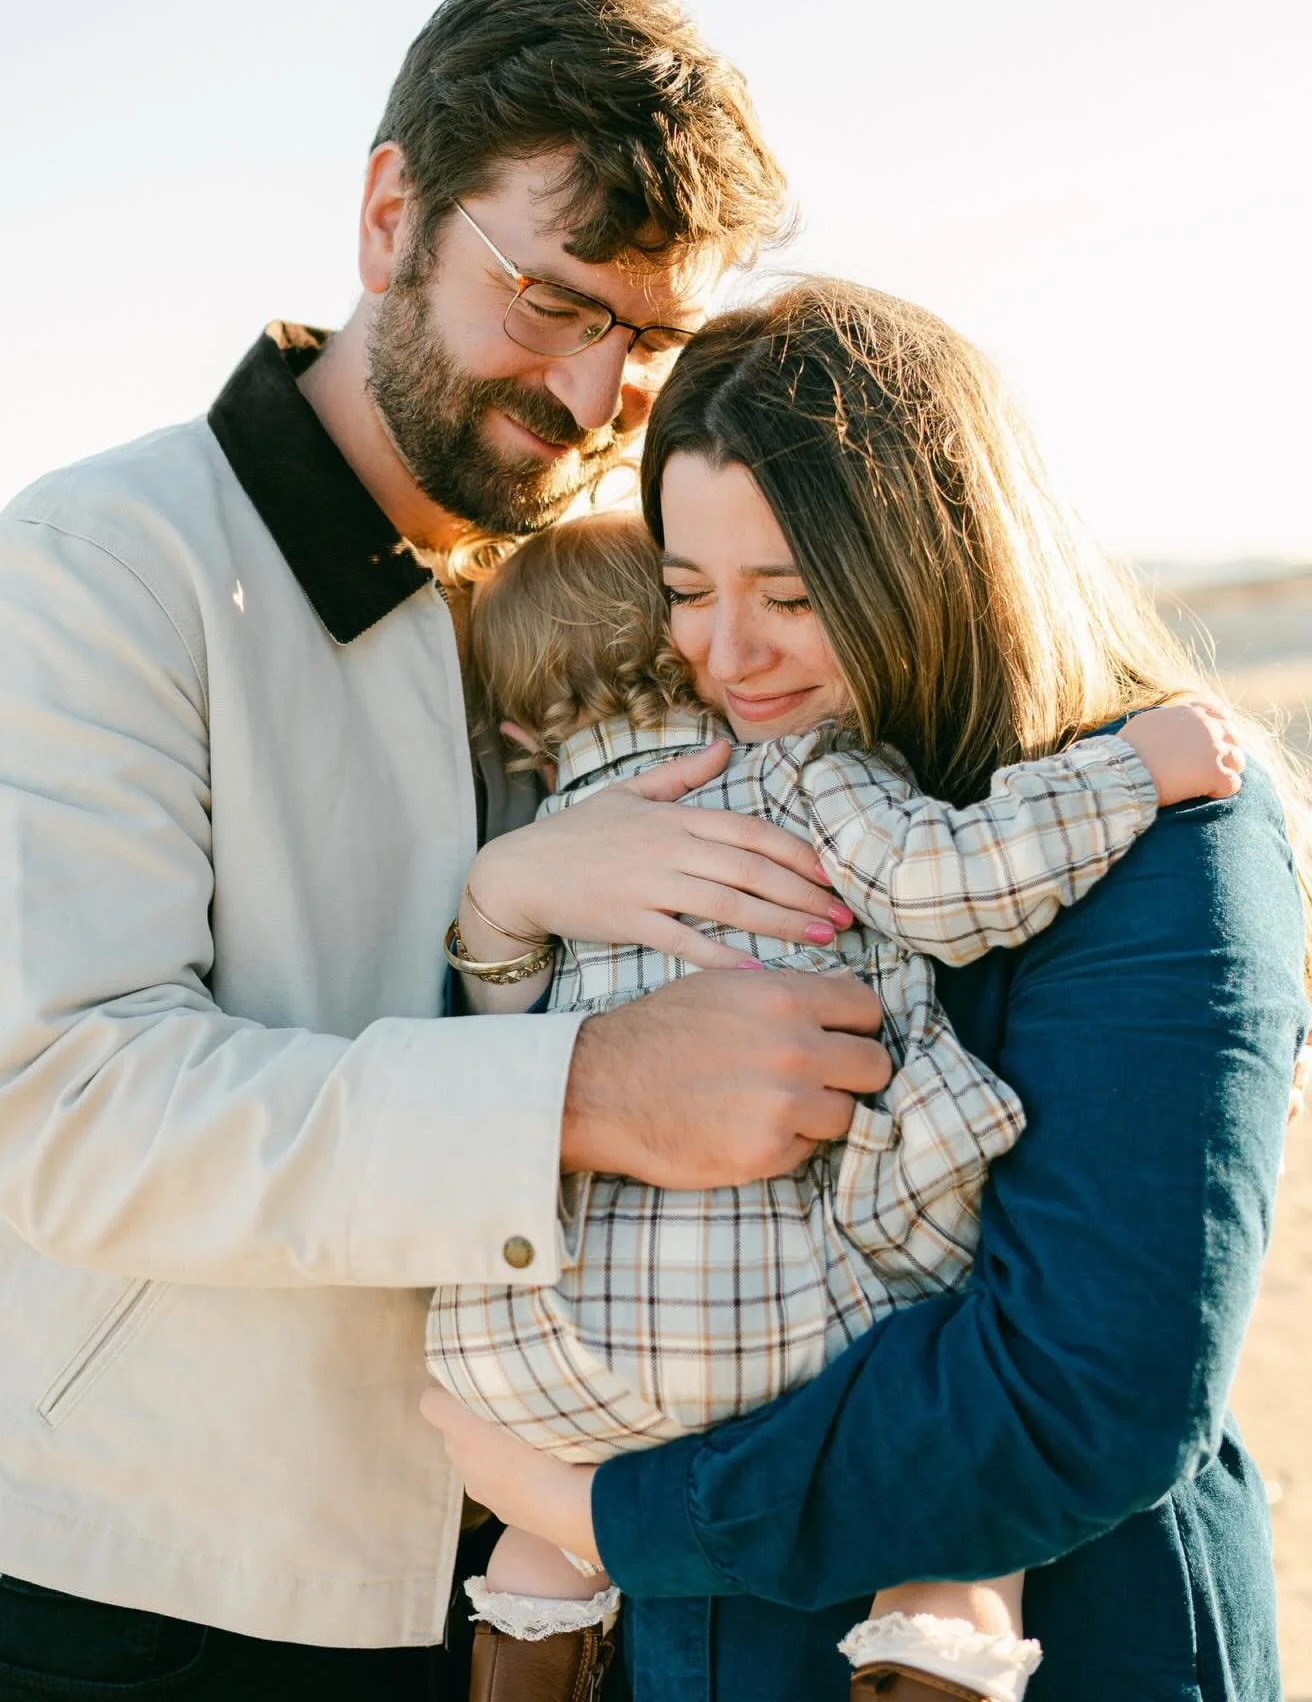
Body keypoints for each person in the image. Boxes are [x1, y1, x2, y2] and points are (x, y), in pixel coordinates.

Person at [0, 0, 900, 1700]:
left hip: (533, 1565)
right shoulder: (98, 562)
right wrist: (590, 1092)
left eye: (650, 344)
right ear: (388, 221)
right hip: (138, 1594)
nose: (595, 394)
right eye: (550, 302)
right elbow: (65, 1104)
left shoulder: (611, 593)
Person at [420, 279, 1312, 1701]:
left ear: (935, 562)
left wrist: (606, 1517)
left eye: (788, 595)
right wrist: (506, 896)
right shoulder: (669, 805)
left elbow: (1089, 1393)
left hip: (1084, 1654)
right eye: (686, 594)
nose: (724, 653)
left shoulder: (1171, 835)